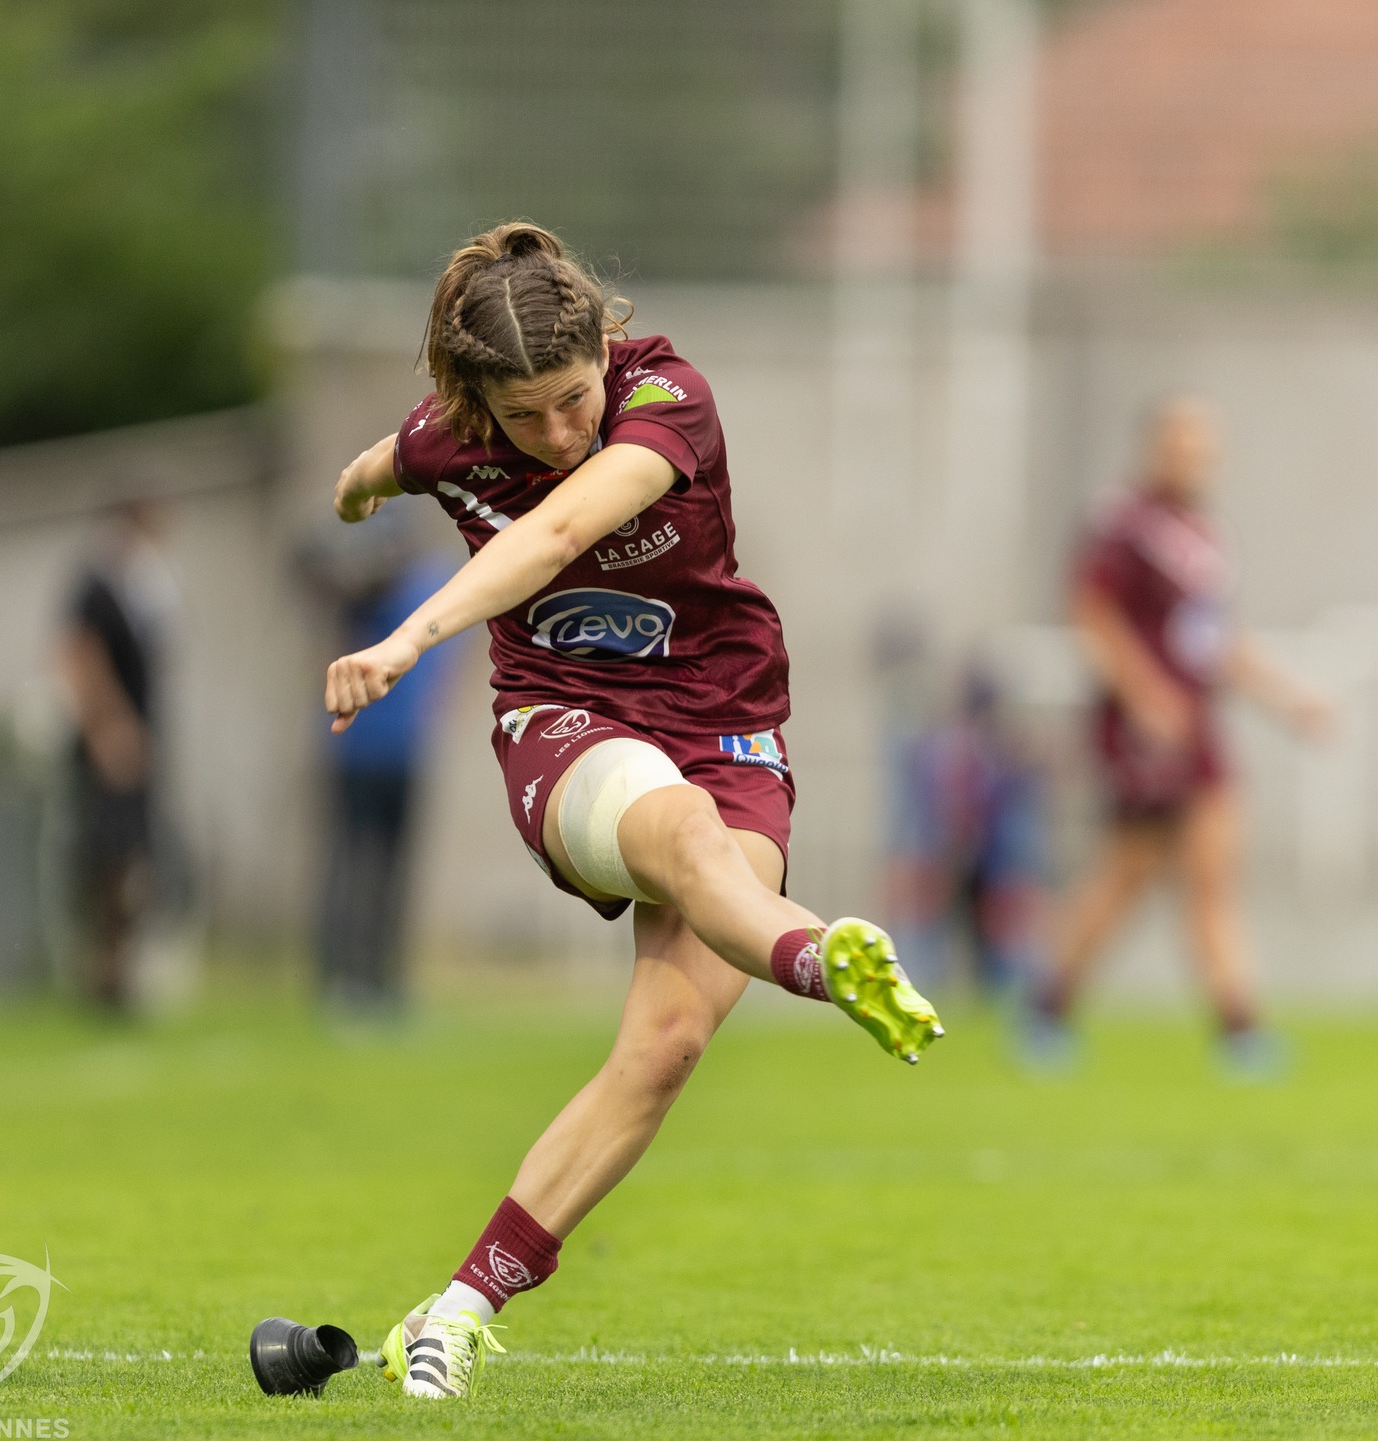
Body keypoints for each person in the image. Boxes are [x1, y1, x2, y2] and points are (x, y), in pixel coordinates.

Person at [322, 222, 943, 1400]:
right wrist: (358, 508)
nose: (558, 434)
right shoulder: (449, 434)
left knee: (664, 1046)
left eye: (571, 400)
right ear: (474, 403)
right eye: (526, 419)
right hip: (563, 719)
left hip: (725, 723)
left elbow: (561, 527)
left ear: (603, 346)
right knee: (681, 837)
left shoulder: (669, 396)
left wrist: (401, 613)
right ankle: (816, 956)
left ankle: (453, 1311)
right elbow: (370, 473)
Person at [1025, 400, 1332, 1077]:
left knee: (1213, 875)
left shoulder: (1205, 535)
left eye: (1204, 446)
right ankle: (1047, 1005)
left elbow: (1217, 642)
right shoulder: (1123, 525)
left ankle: (1240, 1026)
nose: (1195, 458)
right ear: (1156, 447)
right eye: (1184, 443)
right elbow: (1092, 614)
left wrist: (1290, 699)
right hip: (1143, 732)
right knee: (1127, 875)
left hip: (1199, 729)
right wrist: (1144, 696)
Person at [313, 537, 464, 1015]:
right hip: (355, 753)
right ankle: (340, 979)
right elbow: (308, 564)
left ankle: (384, 979)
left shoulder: (434, 589)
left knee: (393, 875)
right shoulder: (364, 592)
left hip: (407, 754)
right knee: (351, 867)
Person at [58, 501, 178, 1013]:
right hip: (110, 748)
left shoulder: (144, 588)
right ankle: (104, 973)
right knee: (108, 858)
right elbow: (76, 654)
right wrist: (110, 729)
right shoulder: (96, 584)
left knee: (135, 857)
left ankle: (122, 972)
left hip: (141, 743)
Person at [885, 663, 1048, 995]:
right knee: (934, 932)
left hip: (987, 855)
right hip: (952, 851)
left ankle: (996, 994)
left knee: (993, 938)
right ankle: (922, 989)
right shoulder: (956, 746)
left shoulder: (990, 746)